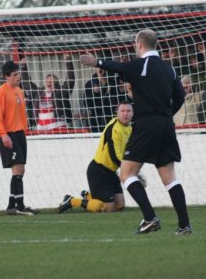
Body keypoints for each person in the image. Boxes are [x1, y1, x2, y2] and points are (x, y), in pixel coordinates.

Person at [80, 29, 191, 235]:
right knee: (169, 177)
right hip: (166, 125)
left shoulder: (141, 65)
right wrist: (166, 114)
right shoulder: (170, 69)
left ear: (139, 44)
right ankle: (184, 224)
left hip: (146, 124)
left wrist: (97, 62)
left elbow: (119, 67)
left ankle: (150, 217)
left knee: (126, 173)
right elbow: (181, 96)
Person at [57, 102, 143, 213]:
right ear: (117, 113)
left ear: (132, 114)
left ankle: (89, 196)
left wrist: (135, 170)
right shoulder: (114, 128)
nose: (125, 114)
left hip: (111, 172)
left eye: (128, 111)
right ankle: (71, 200)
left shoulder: (130, 128)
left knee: (120, 205)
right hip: (98, 171)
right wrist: (131, 171)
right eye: (122, 111)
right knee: (105, 208)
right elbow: (114, 156)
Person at [0, 60, 39, 216]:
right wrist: (3, 134)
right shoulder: (1, 92)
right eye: (14, 74)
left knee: (21, 169)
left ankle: (13, 205)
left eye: (18, 73)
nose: (18, 76)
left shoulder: (19, 91)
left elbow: (21, 113)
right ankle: (19, 205)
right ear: (6, 76)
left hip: (19, 134)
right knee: (17, 168)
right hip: (8, 134)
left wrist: (25, 129)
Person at [20, 54, 75, 130]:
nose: (49, 82)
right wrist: (23, 67)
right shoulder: (39, 92)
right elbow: (26, 84)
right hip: (41, 127)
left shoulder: (60, 93)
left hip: (57, 126)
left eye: (51, 81)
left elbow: (70, 81)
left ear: (56, 84)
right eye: (47, 81)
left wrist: (68, 62)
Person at [84, 67, 122, 133]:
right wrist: (95, 93)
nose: (100, 69)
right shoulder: (90, 84)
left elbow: (118, 99)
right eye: (97, 67)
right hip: (96, 121)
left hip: (111, 119)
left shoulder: (113, 83)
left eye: (102, 67)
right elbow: (86, 104)